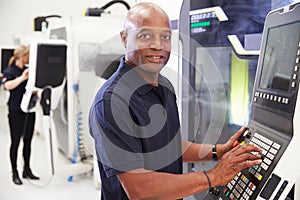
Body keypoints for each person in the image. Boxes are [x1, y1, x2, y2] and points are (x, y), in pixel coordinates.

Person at [89, 2, 262, 199]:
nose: (158, 45)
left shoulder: (164, 87)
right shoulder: (111, 102)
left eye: (165, 37)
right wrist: (214, 176)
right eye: (145, 35)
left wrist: (218, 151)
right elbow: (139, 189)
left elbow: (168, 145)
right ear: (124, 38)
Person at [2, 45, 39, 185]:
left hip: (29, 110)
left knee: (28, 141)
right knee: (15, 142)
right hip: (15, 111)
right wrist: (22, 78)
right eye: (28, 55)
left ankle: (27, 170)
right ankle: (15, 172)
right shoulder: (10, 71)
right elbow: (7, 86)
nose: (29, 58)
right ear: (21, 56)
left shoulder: (30, 70)